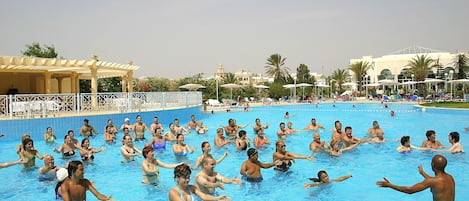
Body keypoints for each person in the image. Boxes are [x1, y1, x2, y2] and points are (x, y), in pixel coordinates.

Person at [376, 155, 455, 201]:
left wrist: (390, 185)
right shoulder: (450, 178)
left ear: (432, 165)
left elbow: (409, 190)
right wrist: (422, 172)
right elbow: (436, 182)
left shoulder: (432, 181)